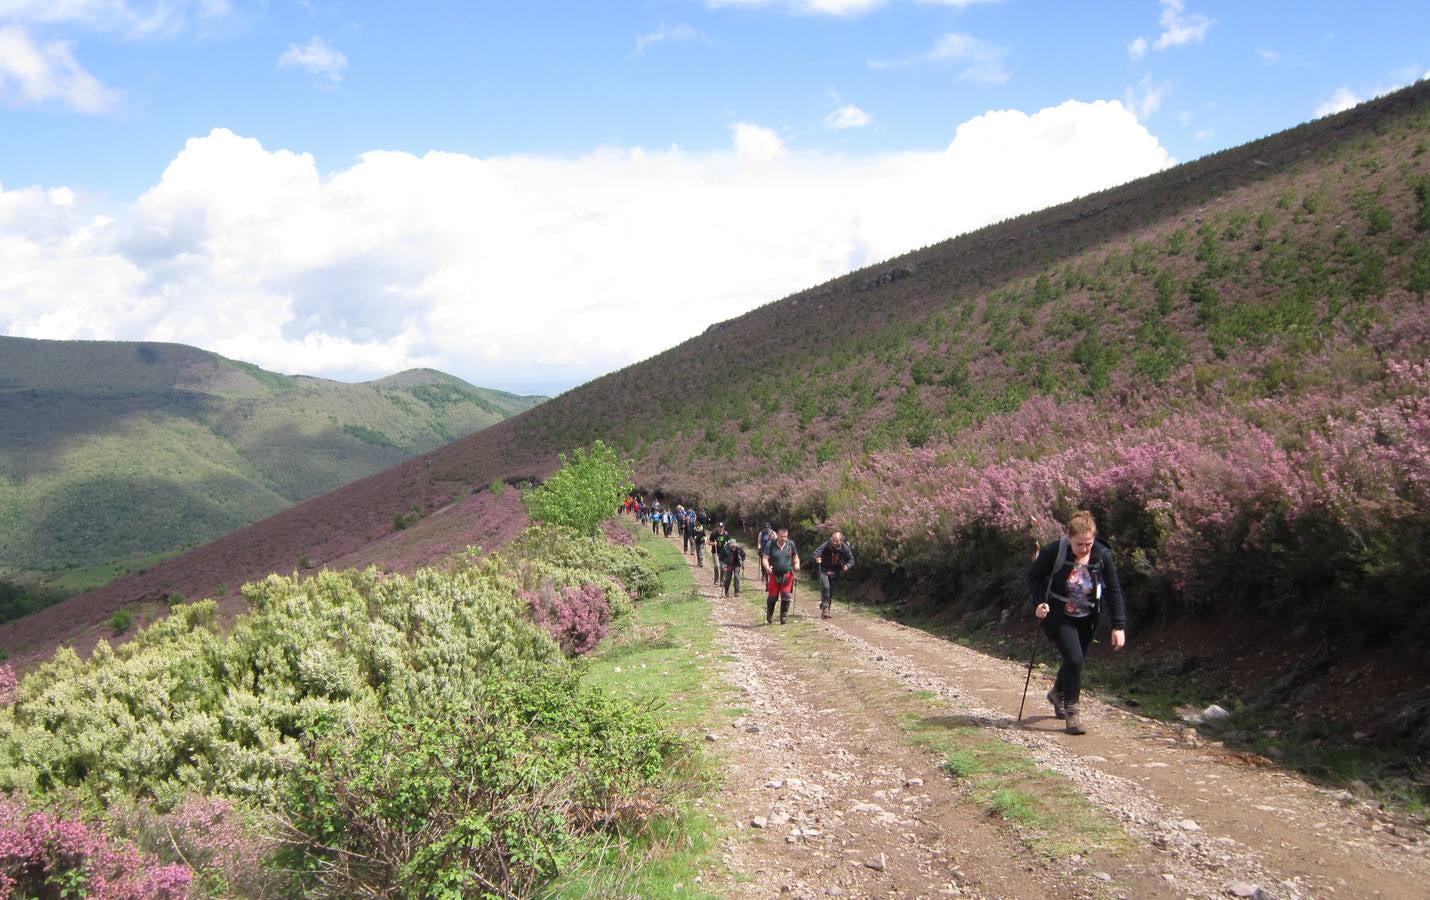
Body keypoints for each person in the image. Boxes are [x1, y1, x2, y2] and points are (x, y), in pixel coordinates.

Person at [1028, 510, 1127, 735]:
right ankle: (1072, 714)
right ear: (1069, 538)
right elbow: (1034, 576)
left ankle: (1056, 693)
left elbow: (1113, 590)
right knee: (1074, 658)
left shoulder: (1102, 555)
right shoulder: (1056, 550)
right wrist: (1039, 602)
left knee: (1076, 660)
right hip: (1057, 613)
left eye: (1088, 544)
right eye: (1079, 544)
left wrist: (1118, 626)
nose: (1084, 549)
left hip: (1088, 616)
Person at [761, 527, 800, 625]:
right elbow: (765, 558)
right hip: (774, 575)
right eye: (782, 537)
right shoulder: (770, 544)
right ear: (777, 535)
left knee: (786, 596)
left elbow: (795, 557)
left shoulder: (791, 544)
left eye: (785, 537)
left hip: (787, 575)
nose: (784, 539)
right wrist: (767, 567)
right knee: (772, 597)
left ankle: (783, 616)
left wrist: (796, 564)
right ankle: (770, 615)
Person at [812, 532, 855, 619]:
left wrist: (847, 566)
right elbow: (816, 553)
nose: (834, 543)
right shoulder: (827, 544)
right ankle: (825, 608)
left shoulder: (844, 548)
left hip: (835, 570)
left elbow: (851, 559)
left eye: (837, 541)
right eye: (833, 540)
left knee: (830, 591)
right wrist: (817, 558)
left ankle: (826, 609)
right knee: (826, 587)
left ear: (841, 541)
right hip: (824, 569)